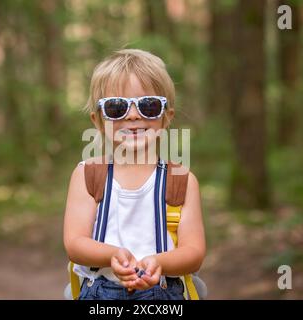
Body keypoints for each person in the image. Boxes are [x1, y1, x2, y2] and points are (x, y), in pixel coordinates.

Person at [63, 49, 206, 300]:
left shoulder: (182, 180)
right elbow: (75, 243)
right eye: (116, 107)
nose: (132, 114)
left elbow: (193, 252)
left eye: (148, 106)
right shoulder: (87, 175)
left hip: (163, 290)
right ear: (98, 121)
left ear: (166, 117)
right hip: (100, 292)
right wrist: (111, 255)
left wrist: (159, 262)